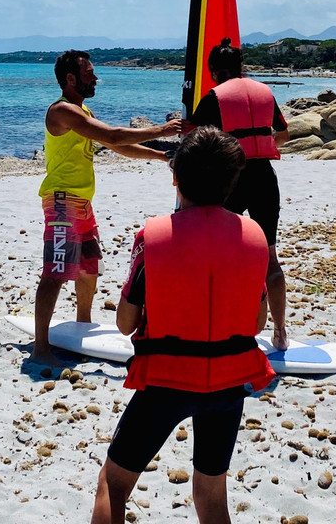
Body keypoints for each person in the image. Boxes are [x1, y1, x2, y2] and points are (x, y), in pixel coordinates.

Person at [90, 127, 275, 524]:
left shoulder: (153, 237)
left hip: (166, 382)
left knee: (113, 484)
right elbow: (257, 322)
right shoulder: (254, 236)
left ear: (175, 177)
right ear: (233, 180)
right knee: (211, 495)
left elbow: (125, 324)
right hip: (228, 384)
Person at [32, 50, 181, 368]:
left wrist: (161, 156)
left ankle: (81, 324)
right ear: (70, 79)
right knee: (56, 273)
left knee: (88, 267)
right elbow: (113, 134)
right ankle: (41, 347)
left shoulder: (81, 110)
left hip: (81, 203)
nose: (95, 77)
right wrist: (161, 130)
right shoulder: (62, 111)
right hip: (61, 202)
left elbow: (116, 145)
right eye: (88, 73)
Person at [184, 38, 291, 350]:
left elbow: (195, 140)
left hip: (229, 179)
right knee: (270, 256)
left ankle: (220, 322)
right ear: (242, 68)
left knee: (218, 253)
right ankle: (280, 332)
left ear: (214, 72)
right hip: (264, 179)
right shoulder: (264, 93)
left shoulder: (213, 98)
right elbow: (282, 135)